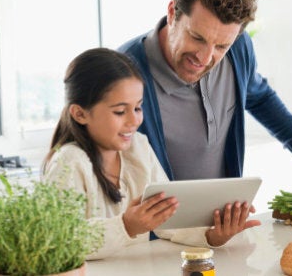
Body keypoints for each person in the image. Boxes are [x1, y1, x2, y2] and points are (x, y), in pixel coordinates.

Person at [117, 0, 292, 182]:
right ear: (172, 12)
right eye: (197, 38)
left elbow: (259, 97)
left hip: (224, 216)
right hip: (158, 219)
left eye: (221, 46)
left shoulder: (239, 47)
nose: (204, 58)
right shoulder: (124, 69)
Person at [42, 48, 259, 260]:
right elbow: (61, 240)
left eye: (137, 108)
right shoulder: (69, 162)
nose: (134, 120)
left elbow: (167, 221)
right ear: (80, 113)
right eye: (119, 111)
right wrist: (126, 226)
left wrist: (212, 235)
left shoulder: (138, 147)